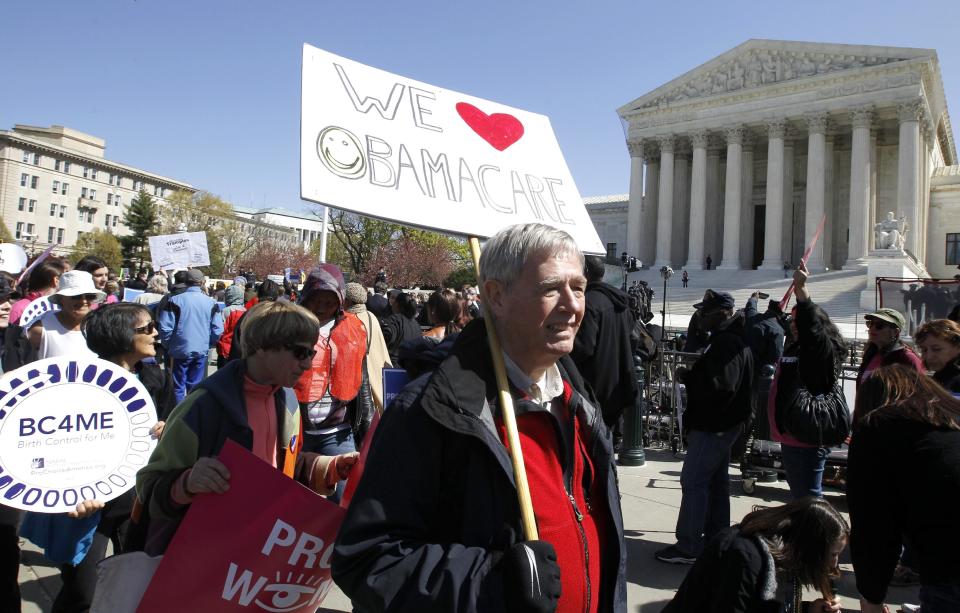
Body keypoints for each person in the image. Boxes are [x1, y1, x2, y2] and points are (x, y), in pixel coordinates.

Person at [332, 223, 627, 612]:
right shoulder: (430, 412)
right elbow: (367, 560)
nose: (573, 306)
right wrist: (492, 583)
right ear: (496, 296)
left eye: (579, 287)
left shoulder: (579, 403)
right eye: (552, 288)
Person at [135, 300, 360, 555]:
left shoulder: (287, 400)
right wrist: (187, 483)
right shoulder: (202, 407)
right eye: (300, 353)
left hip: (257, 553)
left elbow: (282, 471)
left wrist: (331, 468)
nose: (307, 365)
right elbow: (148, 489)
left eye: (311, 354)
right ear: (262, 347)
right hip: (201, 558)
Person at [35, 303, 176, 611]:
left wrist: (169, 428)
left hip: (137, 502)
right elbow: (54, 447)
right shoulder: (79, 384)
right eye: (147, 328)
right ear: (121, 336)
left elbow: (171, 425)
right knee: (82, 594)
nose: (156, 333)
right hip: (88, 508)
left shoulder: (157, 378)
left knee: (134, 583)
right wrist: (69, 492)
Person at [848, 365, 960, 613]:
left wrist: (872, 599)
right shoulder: (951, 415)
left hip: (950, 565)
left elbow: (874, 526)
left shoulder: (879, 427)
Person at [657, 290, 753, 564]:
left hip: (715, 425)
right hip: (721, 424)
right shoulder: (727, 340)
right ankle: (716, 537)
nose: (699, 317)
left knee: (694, 481)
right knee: (717, 483)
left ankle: (688, 544)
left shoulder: (727, 343)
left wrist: (689, 377)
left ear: (720, 314)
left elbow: (721, 386)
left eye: (704, 313)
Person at [664, 497, 847, 613]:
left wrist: (808, 609)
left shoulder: (781, 553)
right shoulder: (744, 558)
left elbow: (759, 606)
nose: (834, 563)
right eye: (833, 554)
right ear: (811, 546)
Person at [768, 265, 846, 498]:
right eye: (791, 321)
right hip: (791, 432)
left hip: (807, 433)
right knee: (800, 495)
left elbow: (812, 331)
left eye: (797, 321)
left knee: (808, 497)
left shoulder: (819, 351)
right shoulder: (796, 346)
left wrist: (802, 291)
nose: (793, 324)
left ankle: (818, 534)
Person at [295, 265, 367, 502]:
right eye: (317, 300)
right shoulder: (289, 324)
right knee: (290, 498)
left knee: (345, 497)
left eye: (330, 302)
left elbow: (361, 378)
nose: (322, 308)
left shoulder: (354, 329)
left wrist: (365, 423)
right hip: (294, 430)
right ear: (307, 297)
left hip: (337, 432)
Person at [571, 255, 639, 441]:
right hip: (618, 387)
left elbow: (583, 349)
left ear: (584, 273)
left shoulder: (589, 303)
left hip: (594, 389)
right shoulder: (620, 303)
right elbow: (634, 340)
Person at [157, 269, 224, 402]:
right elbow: (217, 329)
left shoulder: (174, 300)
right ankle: (190, 415)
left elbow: (165, 328)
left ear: (186, 282)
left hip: (179, 350)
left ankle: (178, 416)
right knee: (195, 386)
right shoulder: (211, 303)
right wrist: (208, 343)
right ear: (202, 282)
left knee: (178, 387)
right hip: (201, 350)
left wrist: (170, 345)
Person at [854, 307, 923, 422]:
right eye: (870, 324)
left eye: (879, 325)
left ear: (895, 332)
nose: (872, 328)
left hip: (890, 426)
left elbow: (917, 396)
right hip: (864, 423)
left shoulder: (907, 358)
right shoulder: (871, 354)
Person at [27, 270, 103, 360]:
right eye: (76, 296)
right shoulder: (41, 330)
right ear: (61, 299)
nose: (83, 301)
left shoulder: (100, 328)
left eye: (89, 296)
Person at [742, 288, 784, 445]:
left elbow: (750, 309)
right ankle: (743, 445)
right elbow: (776, 358)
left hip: (743, 369)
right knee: (753, 411)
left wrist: (754, 298)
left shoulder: (753, 319)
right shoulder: (777, 330)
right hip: (759, 375)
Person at [343, 282, 393, 412]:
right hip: (376, 370)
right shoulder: (371, 316)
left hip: (360, 380)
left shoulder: (348, 320)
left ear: (348, 301)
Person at [914, 319, 960, 393]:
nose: (929, 357)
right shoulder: (932, 380)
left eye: (936, 349)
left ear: (958, 347)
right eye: (924, 350)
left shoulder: (956, 383)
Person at [380, 290, 421, 366]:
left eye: (394, 300)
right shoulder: (416, 324)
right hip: (411, 367)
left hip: (394, 366)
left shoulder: (395, 320)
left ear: (397, 304)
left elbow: (386, 336)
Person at [216, 281, 247, 368]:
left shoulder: (225, 311)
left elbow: (220, 330)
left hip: (226, 349)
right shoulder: (245, 311)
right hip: (240, 349)